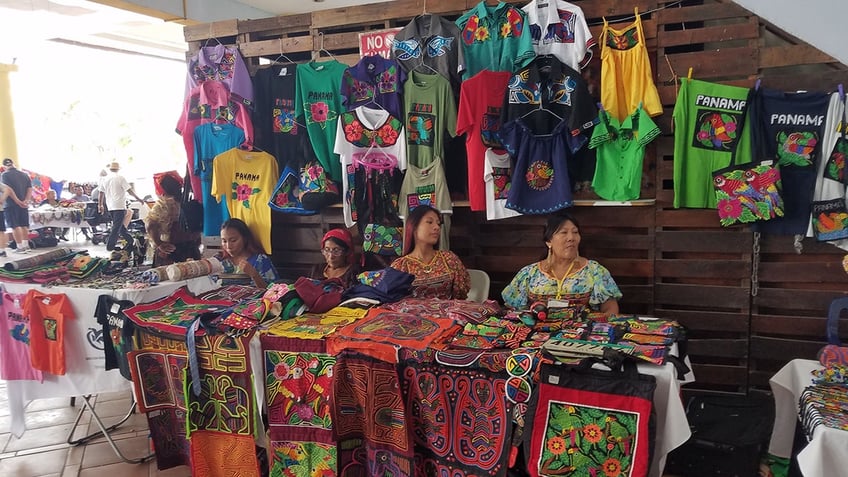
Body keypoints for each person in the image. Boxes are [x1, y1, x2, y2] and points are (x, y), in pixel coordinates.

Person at [502, 212, 622, 314]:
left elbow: (610, 308)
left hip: (580, 335)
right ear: (549, 241)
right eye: (564, 233)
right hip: (539, 336)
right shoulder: (529, 273)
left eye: (575, 232)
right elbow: (512, 309)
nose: (571, 238)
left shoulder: (595, 271)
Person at [390, 205, 470, 299]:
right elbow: (393, 302)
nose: (436, 227)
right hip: (413, 313)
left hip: (447, 312)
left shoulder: (449, 259)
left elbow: (461, 295)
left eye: (438, 223)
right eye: (430, 222)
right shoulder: (400, 266)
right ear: (414, 227)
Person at [145, 175, 201, 266]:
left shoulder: (162, 205)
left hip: (170, 250)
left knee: (169, 277)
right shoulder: (189, 203)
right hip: (191, 249)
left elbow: (150, 225)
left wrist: (159, 243)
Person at [218, 218, 279, 288]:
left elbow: (274, 291)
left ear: (245, 238)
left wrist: (254, 274)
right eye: (224, 241)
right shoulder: (220, 260)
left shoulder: (260, 260)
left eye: (233, 240)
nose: (228, 246)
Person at [99, 161, 142, 251]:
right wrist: (139, 199)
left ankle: (130, 241)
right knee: (116, 228)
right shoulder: (120, 178)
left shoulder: (105, 179)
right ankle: (110, 246)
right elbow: (129, 190)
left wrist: (100, 205)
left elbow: (101, 193)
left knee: (119, 226)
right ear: (118, 169)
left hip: (110, 206)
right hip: (119, 205)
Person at [1, 158, 33, 253]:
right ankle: (26, 245)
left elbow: (8, 189)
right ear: (13, 164)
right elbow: (29, 188)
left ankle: (20, 247)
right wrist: (26, 200)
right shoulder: (24, 174)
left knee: (15, 225)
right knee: (24, 225)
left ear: (4, 166)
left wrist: (17, 201)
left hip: (11, 204)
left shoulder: (5, 175)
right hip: (24, 203)